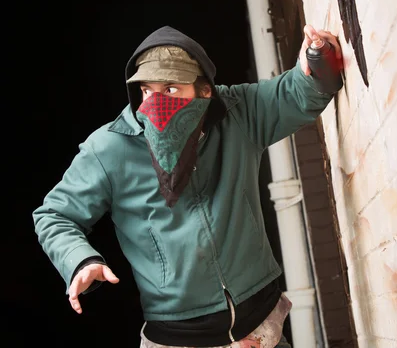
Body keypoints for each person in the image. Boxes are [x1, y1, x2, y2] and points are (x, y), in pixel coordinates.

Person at [32, 24, 342, 348]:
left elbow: (297, 93)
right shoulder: (109, 149)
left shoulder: (236, 113)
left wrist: (318, 58)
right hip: (179, 336)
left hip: (261, 324)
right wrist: (80, 259)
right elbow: (54, 214)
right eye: (146, 91)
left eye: (169, 91)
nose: (154, 103)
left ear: (204, 91)